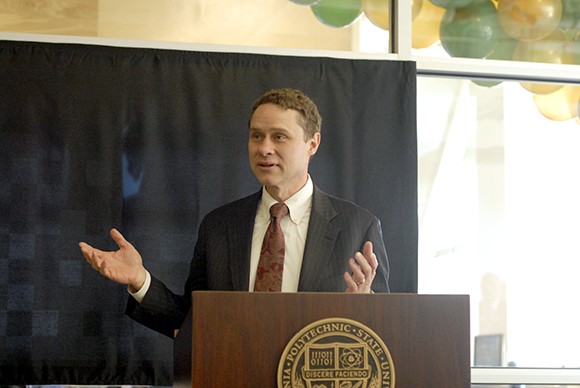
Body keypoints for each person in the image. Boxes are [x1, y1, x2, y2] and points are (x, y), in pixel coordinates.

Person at [79, 88, 390, 338]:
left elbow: (389, 333)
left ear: (312, 144)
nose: (264, 148)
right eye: (256, 135)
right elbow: (192, 323)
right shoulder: (220, 226)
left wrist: (366, 307)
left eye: (279, 137)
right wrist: (140, 280)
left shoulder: (358, 228)